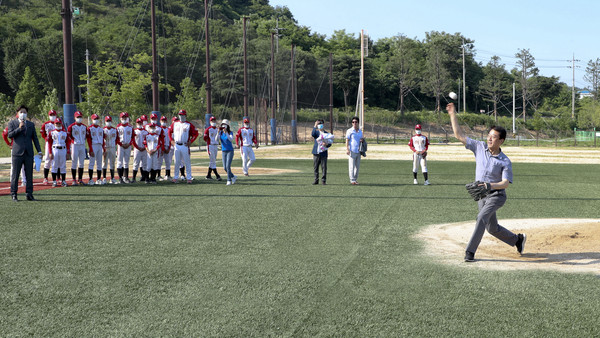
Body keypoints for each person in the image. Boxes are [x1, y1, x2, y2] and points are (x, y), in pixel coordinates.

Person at [446, 102, 526, 262]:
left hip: (497, 195)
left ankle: (470, 252)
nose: (489, 138)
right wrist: (452, 114)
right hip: (482, 195)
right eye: (489, 135)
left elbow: (505, 183)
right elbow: (459, 135)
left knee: (481, 218)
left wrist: (490, 185)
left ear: (501, 141)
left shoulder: (505, 161)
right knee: (492, 228)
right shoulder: (479, 147)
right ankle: (517, 240)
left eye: (494, 136)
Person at [6, 105, 42, 201]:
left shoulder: (30, 124)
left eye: (25, 112)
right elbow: (10, 135)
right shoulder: (12, 123)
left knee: (29, 174)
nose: (23, 114)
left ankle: (29, 194)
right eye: (21, 112)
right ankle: (14, 194)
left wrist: (39, 150)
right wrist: (19, 128)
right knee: (15, 174)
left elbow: (35, 138)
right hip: (17, 152)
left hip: (28, 152)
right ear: (17, 113)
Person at [169, 109, 199, 184]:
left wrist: (191, 141)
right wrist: (171, 140)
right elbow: (169, 132)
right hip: (177, 145)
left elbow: (196, 133)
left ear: (185, 115)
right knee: (176, 162)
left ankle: (189, 178)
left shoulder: (189, 124)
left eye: (182, 115)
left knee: (187, 162)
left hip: (185, 145)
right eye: (180, 115)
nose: (181, 116)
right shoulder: (175, 124)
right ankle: (176, 177)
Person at [67, 111, 91, 186]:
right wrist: (72, 141)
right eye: (78, 117)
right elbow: (68, 136)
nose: (79, 118)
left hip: (82, 145)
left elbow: (87, 136)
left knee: (81, 163)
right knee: (74, 162)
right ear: (75, 118)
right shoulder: (71, 126)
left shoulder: (84, 126)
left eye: (80, 117)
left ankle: (80, 179)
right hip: (75, 145)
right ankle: (74, 179)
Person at [311, 119, 334, 185]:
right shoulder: (316, 132)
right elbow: (312, 134)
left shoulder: (327, 133)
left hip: (323, 152)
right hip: (316, 152)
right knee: (316, 167)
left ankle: (323, 180)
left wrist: (326, 144)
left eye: (321, 123)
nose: (320, 125)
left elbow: (330, 143)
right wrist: (314, 126)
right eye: (318, 124)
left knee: (324, 167)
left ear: (323, 124)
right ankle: (316, 180)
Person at [48, 118, 68, 187]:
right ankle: (54, 181)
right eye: (57, 123)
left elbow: (67, 142)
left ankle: (63, 181)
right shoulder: (52, 132)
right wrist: (50, 152)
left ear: (61, 124)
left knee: (63, 166)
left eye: (59, 123)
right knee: (54, 165)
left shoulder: (65, 132)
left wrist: (68, 152)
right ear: (54, 124)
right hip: (55, 149)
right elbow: (49, 143)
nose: (58, 125)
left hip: (63, 149)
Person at [40, 109, 57, 185]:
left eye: (53, 115)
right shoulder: (46, 124)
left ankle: (58, 177)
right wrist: (45, 138)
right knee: (47, 159)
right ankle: (45, 178)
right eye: (51, 115)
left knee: (56, 160)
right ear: (48, 116)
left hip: (56, 143)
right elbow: (42, 132)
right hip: (48, 143)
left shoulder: (59, 123)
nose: (52, 116)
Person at [116, 112, 134, 184]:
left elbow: (133, 137)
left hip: (128, 146)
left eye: (125, 117)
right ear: (120, 118)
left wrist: (129, 144)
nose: (124, 119)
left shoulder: (130, 127)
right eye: (123, 117)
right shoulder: (118, 127)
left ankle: (126, 177)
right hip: (121, 145)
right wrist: (120, 144)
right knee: (119, 162)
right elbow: (116, 138)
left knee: (126, 162)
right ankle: (120, 178)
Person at [345, 116, 364, 185]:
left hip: (358, 151)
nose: (354, 123)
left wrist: (362, 140)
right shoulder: (349, 131)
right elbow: (347, 140)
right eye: (353, 122)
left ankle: (355, 179)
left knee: (357, 167)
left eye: (356, 122)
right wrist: (347, 149)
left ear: (358, 123)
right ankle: (352, 180)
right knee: (351, 166)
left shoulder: (360, 132)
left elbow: (362, 139)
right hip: (352, 150)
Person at [87, 114, 104, 185]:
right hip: (93, 145)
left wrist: (104, 148)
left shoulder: (100, 129)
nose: (96, 120)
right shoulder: (90, 128)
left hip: (100, 145)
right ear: (92, 120)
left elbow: (102, 139)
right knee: (92, 163)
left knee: (99, 163)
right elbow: (88, 140)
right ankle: (90, 179)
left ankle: (99, 179)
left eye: (97, 119)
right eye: (94, 119)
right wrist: (90, 149)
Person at [203, 116, 222, 181]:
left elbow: (219, 137)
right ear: (210, 122)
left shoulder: (217, 129)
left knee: (212, 161)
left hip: (215, 146)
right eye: (212, 121)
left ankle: (208, 175)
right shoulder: (208, 129)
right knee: (212, 160)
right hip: (210, 145)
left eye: (214, 121)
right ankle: (217, 175)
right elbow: (205, 138)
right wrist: (209, 141)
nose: (213, 122)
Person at [218, 119, 236, 185]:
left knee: (228, 166)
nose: (224, 126)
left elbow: (230, 139)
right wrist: (218, 132)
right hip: (223, 151)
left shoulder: (230, 132)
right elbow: (216, 139)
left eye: (225, 125)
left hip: (230, 151)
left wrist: (226, 133)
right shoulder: (220, 133)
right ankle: (233, 176)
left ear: (227, 126)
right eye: (222, 125)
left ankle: (229, 180)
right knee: (225, 167)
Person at [132, 117, 148, 183]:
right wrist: (137, 147)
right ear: (136, 123)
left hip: (144, 150)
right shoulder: (134, 131)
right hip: (137, 149)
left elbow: (148, 141)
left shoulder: (146, 132)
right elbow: (133, 141)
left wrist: (144, 148)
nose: (139, 124)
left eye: (140, 122)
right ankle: (133, 178)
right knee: (136, 164)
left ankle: (146, 178)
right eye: (138, 123)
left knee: (145, 164)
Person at [102, 115, 118, 184]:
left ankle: (112, 178)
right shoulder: (102, 130)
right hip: (105, 147)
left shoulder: (114, 130)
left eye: (109, 121)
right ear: (105, 122)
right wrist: (103, 149)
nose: (108, 122)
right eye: (107, 121)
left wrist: (115, 144)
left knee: (112, 163)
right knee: (104, 163)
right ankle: (104, 178)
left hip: (112, 147)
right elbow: (101, 139)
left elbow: (117, 139)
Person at [159, 115, 174, 181]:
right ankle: (158, 175)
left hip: (167, 147)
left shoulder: (168, 129)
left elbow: (170, 139)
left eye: (165, 120)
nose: (164, 122)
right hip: (161, 147)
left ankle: (168, 175)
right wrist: (162, 148)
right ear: (160, 121)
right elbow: (159, 139)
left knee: (168, 162)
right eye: (162, 120)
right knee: (159, 162)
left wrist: (169, 148)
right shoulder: (159, 129)